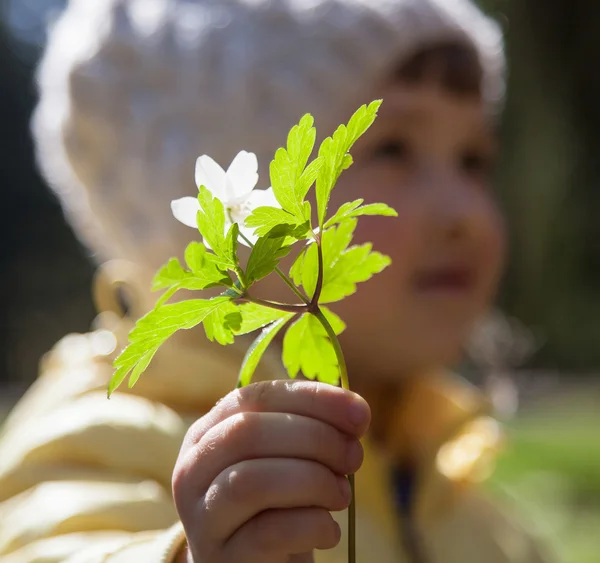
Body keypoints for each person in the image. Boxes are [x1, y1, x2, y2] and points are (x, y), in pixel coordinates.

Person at [0, 0, 552, 562]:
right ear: (230, 229)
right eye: (394, 149)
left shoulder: (461, 497)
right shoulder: (100, 439)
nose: (468, 214)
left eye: (474, 160)